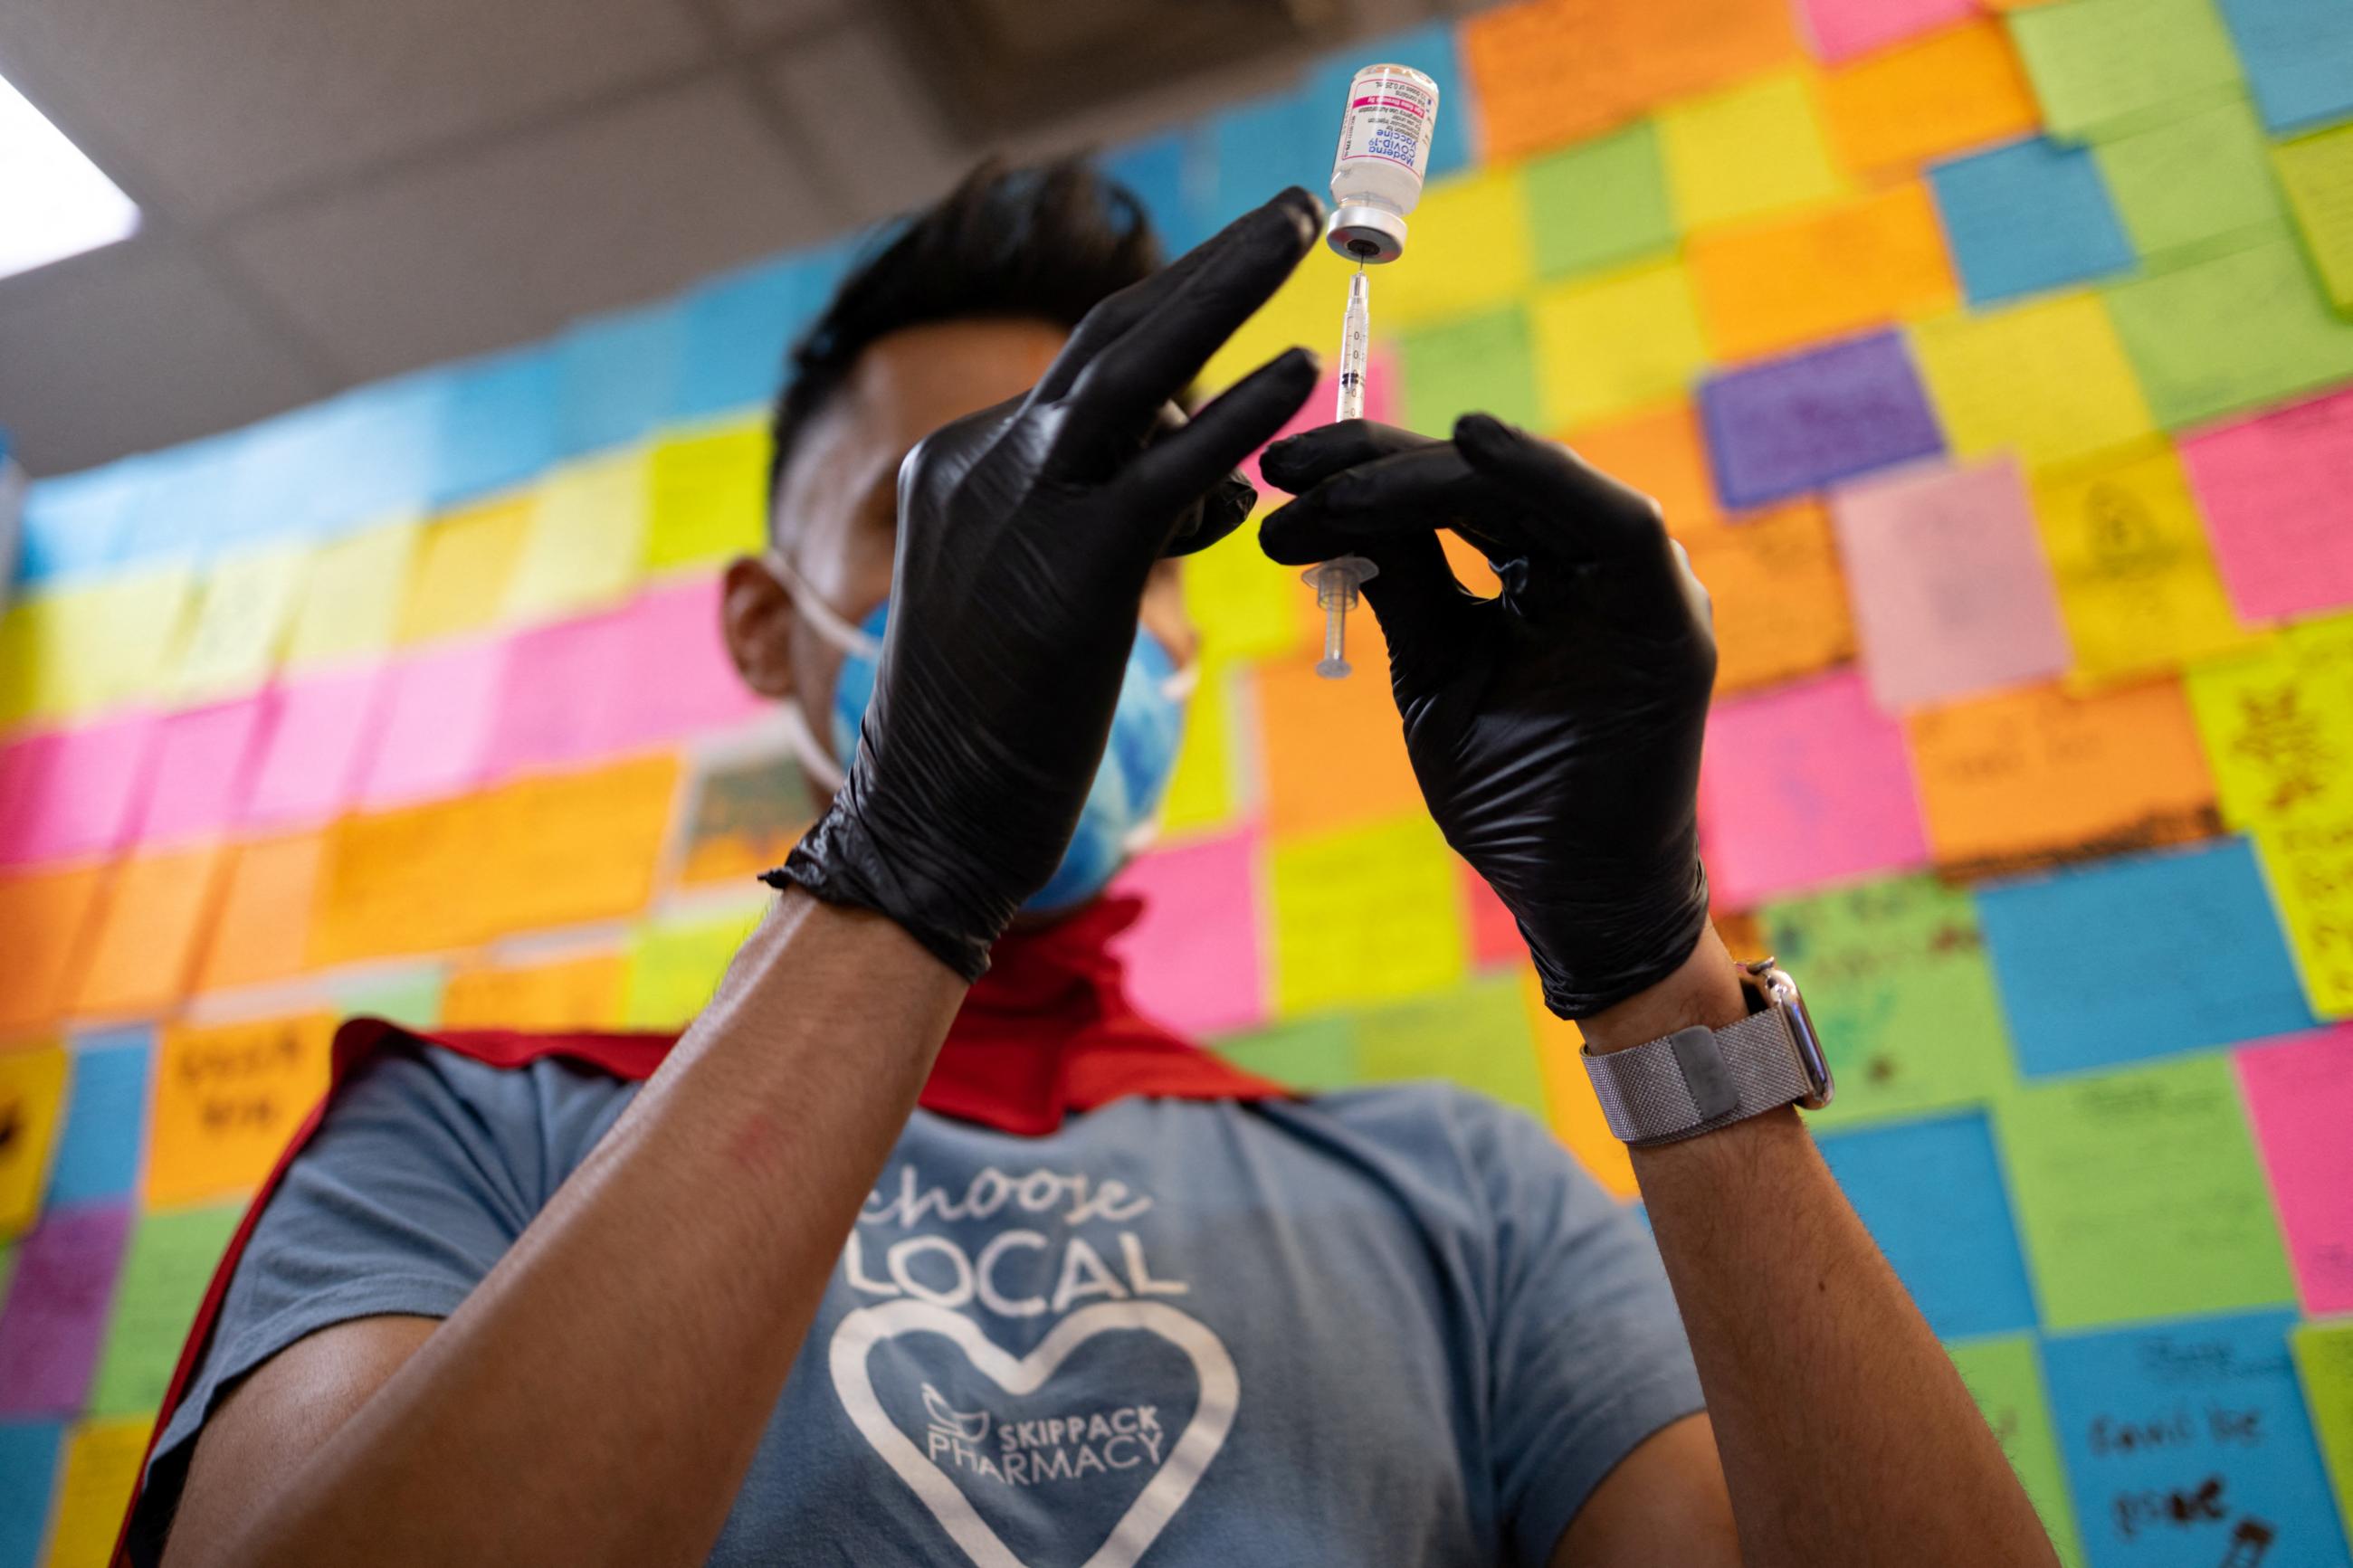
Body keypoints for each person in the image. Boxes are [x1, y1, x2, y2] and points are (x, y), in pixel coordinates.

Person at [125, 162, 2057, 1568]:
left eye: (1126, 532)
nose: (1054, 601)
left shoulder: (1460, 1202)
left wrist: (1653, 966)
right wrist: (901, 868)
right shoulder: (470, 1143)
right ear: (759, 629)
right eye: (957, 517)